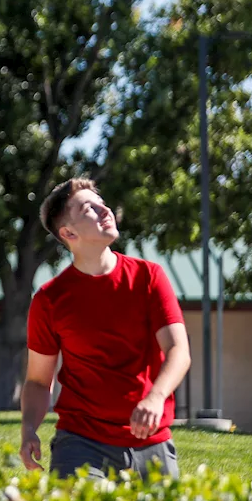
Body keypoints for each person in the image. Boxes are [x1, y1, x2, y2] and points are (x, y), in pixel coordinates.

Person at [21, 177, 190, 480]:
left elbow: (178, 351)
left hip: (152, 440)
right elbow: (37, 380)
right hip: (81, 444)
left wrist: (155, 397)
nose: (105, 210)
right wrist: (28, 428)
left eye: (102, 204)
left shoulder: (148, 277)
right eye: (89, 208)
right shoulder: (49, 300)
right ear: (68, 233)